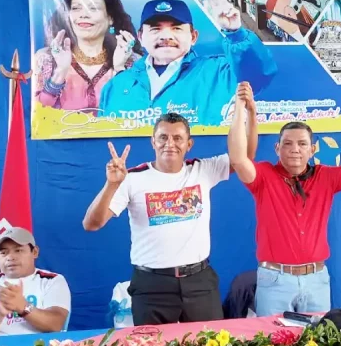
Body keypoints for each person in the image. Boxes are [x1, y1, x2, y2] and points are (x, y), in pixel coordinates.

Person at [81, 94, 260, 325]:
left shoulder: (202, 170)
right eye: (163, 137)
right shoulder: (132, 178)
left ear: (189, 144)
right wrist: (112, 184)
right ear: (153, 142)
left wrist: (250, 114)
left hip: (199, 281)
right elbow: (91, 224)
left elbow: (245, 157)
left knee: (210, 340)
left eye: (178, 138)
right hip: (151, 285)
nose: (170, 144)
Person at [227, 84, 341, 316]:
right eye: (287, 143)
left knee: (317, 340)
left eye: (302, 144)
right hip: (274, 280)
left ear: (313, 149)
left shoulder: (325, 177)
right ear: (277, 148)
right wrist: (240, 108)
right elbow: (238, 158)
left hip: (316, 280)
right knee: (273, 341)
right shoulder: (264, 177)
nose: (294, 149)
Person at [98, 0, 278, 126]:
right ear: (141, 37)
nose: (166, 36)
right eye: (155, 29)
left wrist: (235, 33)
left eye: (176, 28)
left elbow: (260, 74)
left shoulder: (220, 72)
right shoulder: (116, 86)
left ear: (193, 37)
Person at [35, 0, 142, 112]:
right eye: (76, 8)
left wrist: (120, 69)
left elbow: (137, 110)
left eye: (93, 8)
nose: (83, 15)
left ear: (110, 18)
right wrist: (60, 72)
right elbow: (38, 116)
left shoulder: (133, 62)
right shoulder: (46, 59)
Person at [0, 228, 71, 340]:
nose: (10, 257)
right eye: (3, 253)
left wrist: (23, 306)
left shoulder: (52, 281)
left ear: (34, 252)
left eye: (18, 250)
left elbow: (55, 324)